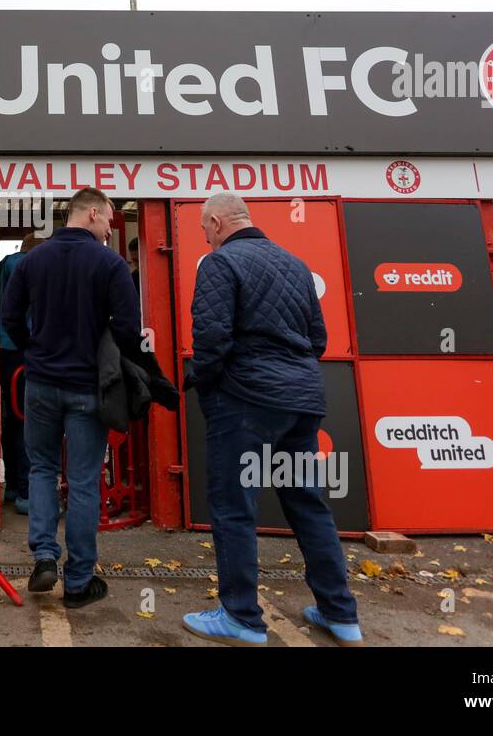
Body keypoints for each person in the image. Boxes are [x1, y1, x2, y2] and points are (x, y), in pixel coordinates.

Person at [182, 193, 362, 646]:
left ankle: (241, 617)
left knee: (233, 506)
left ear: (218, 222)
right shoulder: (296, 265)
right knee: (309, 504)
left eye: (205, 227)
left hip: (243, 401)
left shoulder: (218, 264)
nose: (205, 236)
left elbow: (211, 337)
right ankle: (340, 614)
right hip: (301, 403)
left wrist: (204, 383)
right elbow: (317, 337)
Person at [0, 187, 140, 608]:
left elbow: (9, 318)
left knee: (42, 469)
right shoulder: (111, 263)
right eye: (109, 217)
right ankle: (78, 580)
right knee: (82, 482)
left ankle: (44, 556)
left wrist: (33, 351)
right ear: (92, 212)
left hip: (40, 382)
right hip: (87, 388)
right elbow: (129, 331)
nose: (110, 226)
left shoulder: (33, 261)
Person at [0, 231, 38, 514]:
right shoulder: (31, 266)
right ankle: (26, 492)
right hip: (25, 348)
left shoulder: (5, 264)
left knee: (12, 420)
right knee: (28, 420)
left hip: (3, 347)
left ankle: (13, 485)